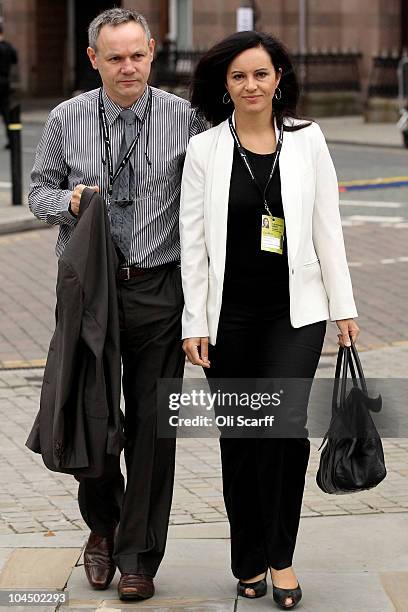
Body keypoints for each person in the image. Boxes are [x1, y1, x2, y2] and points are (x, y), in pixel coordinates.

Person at [28, 7, 206, 602]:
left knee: (154, 431)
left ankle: (139, 555)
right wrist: (71, 203)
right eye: (115, 57)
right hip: (90, 292)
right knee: (94, 420)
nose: (128, 67)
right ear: (94, 59)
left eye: (138, 55)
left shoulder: (186, 118)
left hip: (159, 286)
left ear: (152, 52)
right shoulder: (65, 118)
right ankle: (102, 530)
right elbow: (36, 192)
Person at [179, 31, 359, 610]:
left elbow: (328, 226)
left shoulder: (309, 140)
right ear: (225, 86)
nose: (251, 85)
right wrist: (194, 322)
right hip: (228, 318)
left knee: (282, 437)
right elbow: (194, 243)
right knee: (241, 439)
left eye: (260, 73)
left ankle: (280, 558)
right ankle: (246, 559)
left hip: (296, 315)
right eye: (238, 77)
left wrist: (345, 308)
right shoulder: (205, 149)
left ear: (279, 77)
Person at [0, 23, 18, 149]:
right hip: (5, 82)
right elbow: (15, 60)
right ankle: (12, 140)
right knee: (6, 113)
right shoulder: (9, 47)